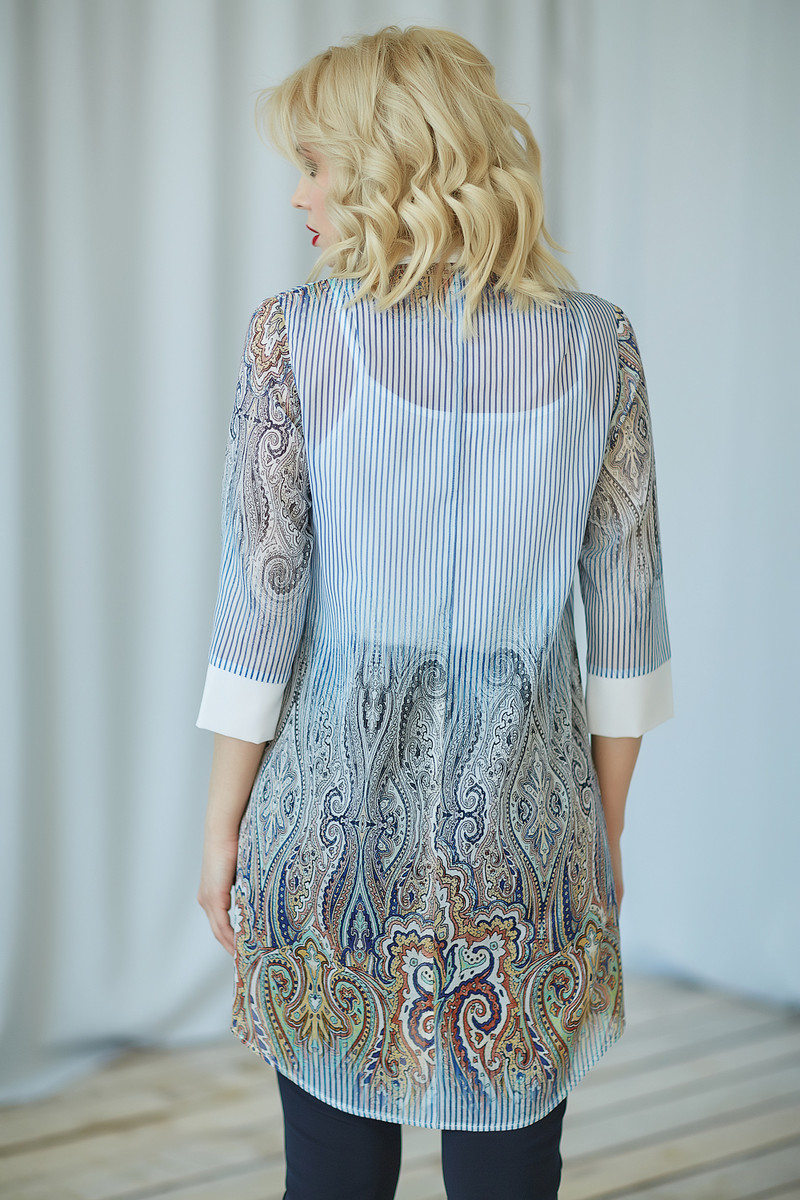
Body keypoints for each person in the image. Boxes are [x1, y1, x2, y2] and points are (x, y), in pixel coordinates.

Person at [195, 24, 673, 1200]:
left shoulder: (292, 335)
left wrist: (221, 833)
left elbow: (260, 609)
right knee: (514, 1176)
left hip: (324, 843)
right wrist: (601, 831)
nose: (299, 194)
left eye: (315, 162)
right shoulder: (598, 343)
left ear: (385, 165)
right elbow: (624, 629)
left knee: (330, 1177)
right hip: (526, 841)